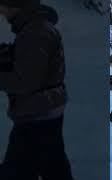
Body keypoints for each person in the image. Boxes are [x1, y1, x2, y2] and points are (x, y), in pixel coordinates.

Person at [0, 1, 74, 179]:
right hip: (44, 110)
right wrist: (8, 54)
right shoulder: (35, 29)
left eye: (2, 5)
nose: (1, 12)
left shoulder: (36, 32)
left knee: (17, 172)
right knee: (52, 166)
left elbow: (26, 81)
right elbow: (32, 63)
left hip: (37, 115)